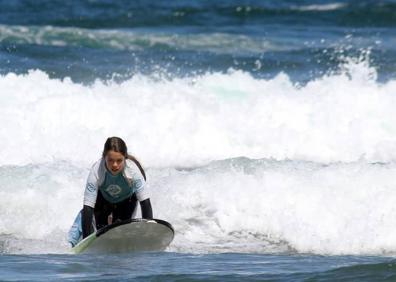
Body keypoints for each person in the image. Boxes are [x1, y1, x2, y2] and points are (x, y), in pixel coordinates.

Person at [68, 136, 152, 246]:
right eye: (110, 160)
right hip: (103, 199)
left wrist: (149, 235)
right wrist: (86, 243)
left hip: (127, 201)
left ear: (125, 158)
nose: (115, 165)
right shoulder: (97, 171)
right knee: (99, 227)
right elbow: (88, 208)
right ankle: (71, 241)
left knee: (120, 230)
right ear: (104, 158)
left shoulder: (133, 171)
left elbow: (145, 204)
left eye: (119, 160)